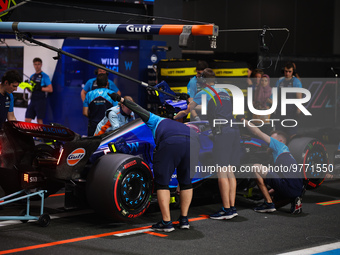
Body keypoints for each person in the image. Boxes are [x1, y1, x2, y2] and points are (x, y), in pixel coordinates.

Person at [109, 92, 200, 232]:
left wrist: (121, 99)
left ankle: (166, 222)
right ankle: (184, 220)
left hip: (171, 141)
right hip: (192, 142)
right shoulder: (181, 124)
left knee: (162, 184)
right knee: (186, 182)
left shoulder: (156, 119)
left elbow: (138, 109)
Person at [239, 117, 304, 214]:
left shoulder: (279, 146)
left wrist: (242, 120)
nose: (268, 142)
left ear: (280, 140)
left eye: (271, 138)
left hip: (289, 188)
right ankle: (294, 201)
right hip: (298, 189)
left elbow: (257, 132)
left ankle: (268, 204)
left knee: (255, 167)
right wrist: (266, 194)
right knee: (273, 199)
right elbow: (283, 179)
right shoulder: (287, 155)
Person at [207, 87, 240, 220]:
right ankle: (232, 207)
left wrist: (214, 135)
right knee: (230, 170)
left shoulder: (211, 100)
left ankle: (226, 209)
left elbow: (211, 120)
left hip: (223, 133)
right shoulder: (229, 99)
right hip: (235, 131)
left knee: (221, 171)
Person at [273, 62, 303, 138]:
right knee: (279, 133)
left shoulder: (296, 82)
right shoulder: (280, 81)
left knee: (291, 134)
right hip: (280, 111)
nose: (287, 73)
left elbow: (299, 97)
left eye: (289, 71)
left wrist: (298, 110)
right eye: (286, 71)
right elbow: (275, 95)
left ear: (293, 72)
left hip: (291, 112)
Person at [25, 57, 53, 124]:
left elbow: (50, 89)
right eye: (35, 64)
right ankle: (29, 134)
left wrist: (40, 88)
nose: (37, 66)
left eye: (38, 64)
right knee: (27, 119)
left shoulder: (44, 76)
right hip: (33, 100)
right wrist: (27, 86)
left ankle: (41, 134)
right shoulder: (32, 76)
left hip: (40, 101)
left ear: (41, 65)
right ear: (33, 65)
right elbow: (30, 91)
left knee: (39, 120)